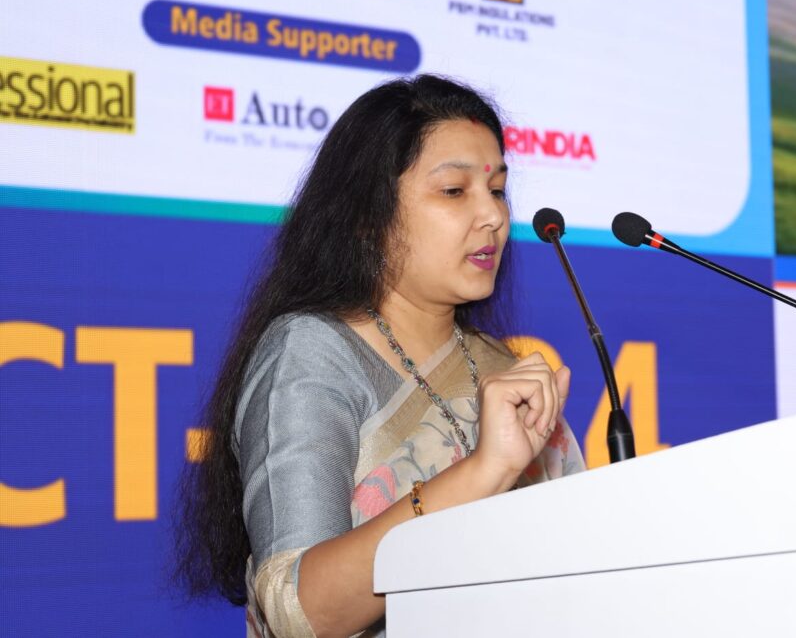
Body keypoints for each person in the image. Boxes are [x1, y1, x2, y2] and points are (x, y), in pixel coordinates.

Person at [175, 75, 586, 638]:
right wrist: (484, 471)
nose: (492, 215)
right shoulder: (314, 353)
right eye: (454, 191)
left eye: (496, 190)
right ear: (368, 219)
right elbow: (299, 611)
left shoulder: (503, 370)